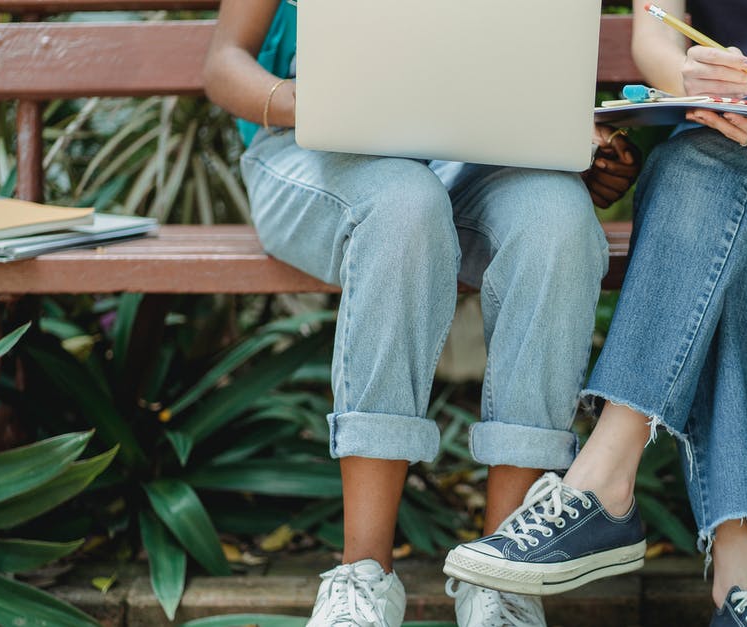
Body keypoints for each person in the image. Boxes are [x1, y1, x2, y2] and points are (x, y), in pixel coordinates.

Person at [446, 0, 747, 625]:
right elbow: (655, 39)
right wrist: (692, 80)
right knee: (716, 228)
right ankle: (740, 583)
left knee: (691, 173)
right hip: (729, 123)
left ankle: (600, 481)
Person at [202, 1, 640, 626]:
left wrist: (577, 143)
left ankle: (505, 580)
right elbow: (223, 64)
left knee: (559, 221)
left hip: (473, 150)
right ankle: (363, 578)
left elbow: (530, 56)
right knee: (404, 206)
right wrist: (320, 106)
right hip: (310, 146)